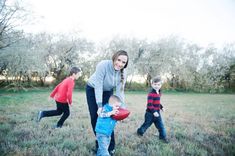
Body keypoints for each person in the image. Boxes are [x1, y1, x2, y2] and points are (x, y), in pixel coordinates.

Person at [86, 50, 128, 155]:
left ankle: (110, 147)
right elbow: (98, 86)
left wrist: (122, 108)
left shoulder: (123, 72)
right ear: (114, 58)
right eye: (118, 60)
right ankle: (101, 145)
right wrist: (99, 106)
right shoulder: (103, 65)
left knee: (110, 117)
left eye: (123, 62)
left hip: (108, 91)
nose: (120, 64)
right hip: (93, 89)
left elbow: (120, 92)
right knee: (96, 117)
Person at [137, 77, 168, 143]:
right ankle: (140, 132)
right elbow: (149, 104)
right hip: (150, 114)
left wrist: (161, 107)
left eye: (158, 84)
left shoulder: (159, 93)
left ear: (161, 85)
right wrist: (154, 112)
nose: (157, 86)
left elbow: (157, 103)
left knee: (161, 126)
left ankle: (163, 138)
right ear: (152, 84)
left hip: (157, 113)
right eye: (155, 84)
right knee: (146, 125)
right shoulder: (151, 94)